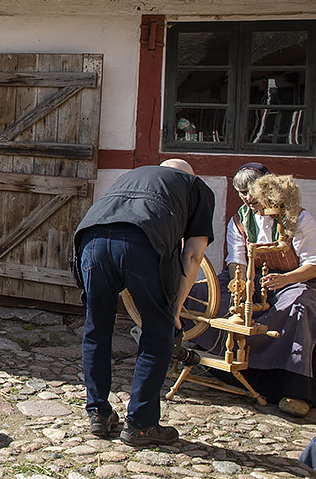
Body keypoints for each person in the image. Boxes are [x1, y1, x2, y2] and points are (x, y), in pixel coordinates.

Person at [75, 159, 214, 447]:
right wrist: (174, 311)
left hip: (91, 239)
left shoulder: (132, 176)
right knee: (157, 332)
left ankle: (98, 414)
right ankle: (141, 423)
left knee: (97, 328)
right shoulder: (194, 186)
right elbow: (193, 256)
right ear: (188, 175)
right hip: (141, 242)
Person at [211, 166, 316, 416]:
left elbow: (312, 264)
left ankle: (294, 390)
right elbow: (237, 260)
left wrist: (284, 279)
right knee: (208, 296)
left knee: (297, 307)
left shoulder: (298, 219)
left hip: (294, 280)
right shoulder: (240, 220)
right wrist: (242, 285)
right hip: (253, 279)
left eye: (249, 192)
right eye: (240, 193)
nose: (246, 198)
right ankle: (207, 360)